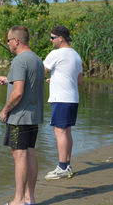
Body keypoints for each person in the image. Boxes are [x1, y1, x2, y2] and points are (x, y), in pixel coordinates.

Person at [0, 25, 44, 205]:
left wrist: (5, 110)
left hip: (19, 117)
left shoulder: (19, 61)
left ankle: (18, 200)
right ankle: (29, 199)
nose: (7, 44)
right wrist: (8, 80)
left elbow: (18, 93)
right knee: (30, 153)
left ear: (16, 41)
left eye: (8, 40)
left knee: (20, 156)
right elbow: (28, 82)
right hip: (33, 116)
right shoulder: (36, 59)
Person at [43, 25, 82, 180]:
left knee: (59, 131)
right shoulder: (76, 55)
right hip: (73, 99)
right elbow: (78, 81)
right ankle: (67, 164)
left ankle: (62, 168)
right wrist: (55, 80)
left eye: (52, 38)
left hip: (61, 99)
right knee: (67, 131)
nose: (51, 40)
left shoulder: (56, 54)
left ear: (61, 38)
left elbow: (41, 70)